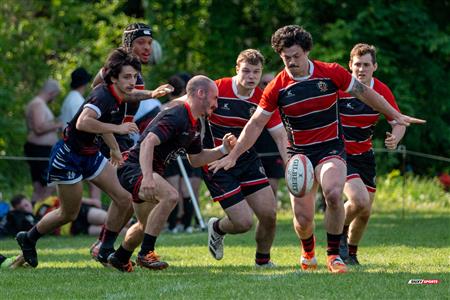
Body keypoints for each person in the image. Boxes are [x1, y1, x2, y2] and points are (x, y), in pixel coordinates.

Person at [210, 25, 425, 273]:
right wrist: (233, 155)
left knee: (334, 193)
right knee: (303, 220)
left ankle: (334, 255)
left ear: (307, 51)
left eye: (296, 56)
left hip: (330, 147)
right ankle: (308, 251)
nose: (291, 62)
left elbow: (365, 92)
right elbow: (256, 123)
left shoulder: (330, 72)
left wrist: (394, 115)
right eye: (285, 57)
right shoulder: (276, 87)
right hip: (299, 153)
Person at [15, 48, 141, 268]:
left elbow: (102, 127)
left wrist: (114, 149)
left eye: (134, 77)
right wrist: (119, 129)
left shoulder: (117, 97)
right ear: (113, 78)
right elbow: (84, 122)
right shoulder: (102, 94)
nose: (132, 82)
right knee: (68, 213)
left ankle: (104, 249)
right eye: (127, 77)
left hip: (90, 155)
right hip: (68, 158)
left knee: (125, 198)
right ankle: (29, 238)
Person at [106, 75, 236, 272]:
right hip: (134, 168)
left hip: (144, 171)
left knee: (144, 225)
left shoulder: (194, 124)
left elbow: (196, 159)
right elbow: (149, 141)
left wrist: (223, 150)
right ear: (201, 93)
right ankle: (146, 253)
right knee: (171, 195)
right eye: (215, 98)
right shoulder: (177, 114)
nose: (217, 104)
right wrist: (148, 177)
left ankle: (120, 256)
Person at [89, 23, 173, 263]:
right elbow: (101, 93)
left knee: (128, 195)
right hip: (106, 137)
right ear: (128, 44)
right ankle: (109, 247)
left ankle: (107, 246)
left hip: (122, 137)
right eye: (140, 43)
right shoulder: (114, 67)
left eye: (149, 43)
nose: (147, 48)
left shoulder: (134, 70)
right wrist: (151, 94)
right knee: (127, 195)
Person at [204, 49, 288, 267]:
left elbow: (280, 135)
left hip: (246, 159)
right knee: (243, 223)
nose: (251, 76)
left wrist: (290, 165)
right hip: (216, 162)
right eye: (246, 71)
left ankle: (263, 261)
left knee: (269, 214)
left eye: (256, 72)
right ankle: (217, 228)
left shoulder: (263, 98)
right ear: (236, 69)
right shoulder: (218, 88)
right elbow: (187, 103)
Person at [338, 43, 406, 265]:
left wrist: (395, 137)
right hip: (339, 153)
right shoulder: (340, 88)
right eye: (357, 64)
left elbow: (398, 120)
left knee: (365, 211)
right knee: (358, 200)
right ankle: (338, 232)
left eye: (366, 65)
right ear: (350, 65)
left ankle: (352, 254)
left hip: (365, 155)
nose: (361, 69)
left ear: (374, 67)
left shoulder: (382, 91)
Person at [24, 79, 63, 204]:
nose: (54, 99)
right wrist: (58, 125)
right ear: (51, 92)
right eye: (55, 96)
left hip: (41, 150)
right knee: (48, 185)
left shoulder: (40, 104)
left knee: (40, 187)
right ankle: (41, 212)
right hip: (39, 150)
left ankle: (35, 213)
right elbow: (38, 128)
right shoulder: (38, 104)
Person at [254, 72, 285, 201]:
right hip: (256, 153)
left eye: (270, 83)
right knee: (255, 189)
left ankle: (270, 217)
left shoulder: (282, 102)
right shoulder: (253, 102)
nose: (267, 86)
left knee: (272, 187)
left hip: (274, 152)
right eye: (264, 83)